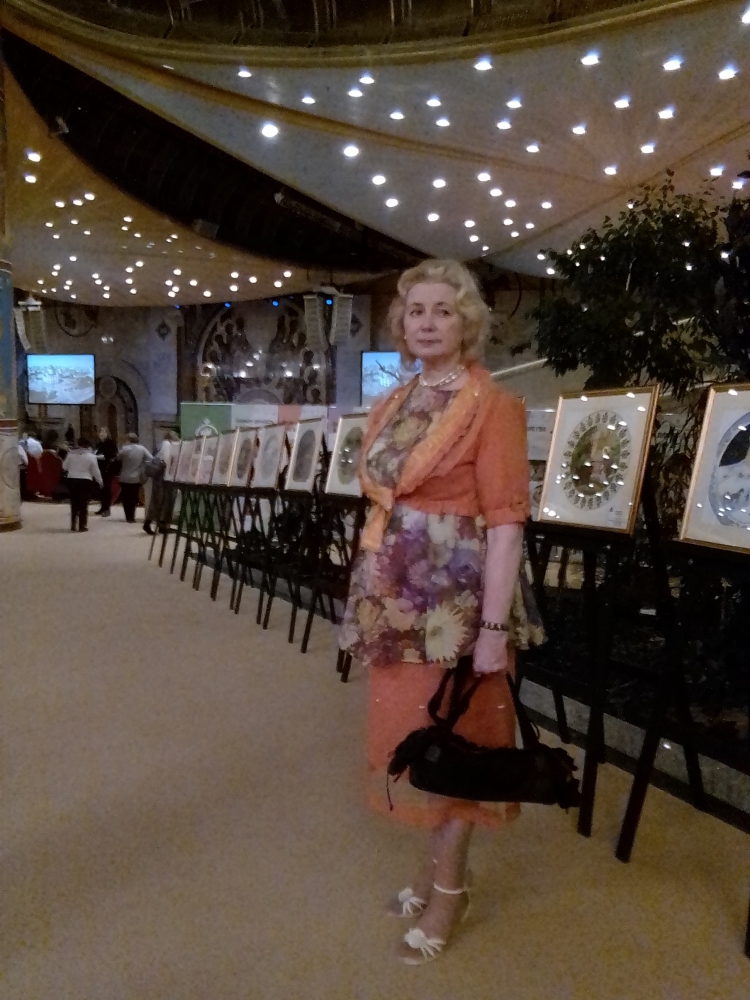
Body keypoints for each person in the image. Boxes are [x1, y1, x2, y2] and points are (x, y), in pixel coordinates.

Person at [339, 259, 541, 965]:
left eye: (443, 310)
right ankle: (431, 876)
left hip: (457, 605)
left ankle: (449, 893)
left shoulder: (494, 406)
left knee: (460, 743)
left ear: (467, 323)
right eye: (416, 311)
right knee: (415, 739)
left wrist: (492, 631)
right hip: (397, 603)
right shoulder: (396, 401)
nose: (427, 322)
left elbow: (507, 524)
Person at [62, 437, 102, 532]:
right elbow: (95, 471)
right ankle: (82, 525)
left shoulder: (71, 455)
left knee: (74, 502)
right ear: (88, 446)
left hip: (72, 479)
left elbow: (64, 467)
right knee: (84, 504)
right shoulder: (91, 456)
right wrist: (100, 481)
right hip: (85, 480)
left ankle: (73, 524)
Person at [143, 429, 179, 535]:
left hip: (159, 477)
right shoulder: (167, 445)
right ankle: (152, 524)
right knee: (163, 501)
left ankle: (159, 525)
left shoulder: (161, 445)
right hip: (164, 477)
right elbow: (167, 460)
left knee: (159, 501)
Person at [116, 432, 152, 525]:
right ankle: (132, 516)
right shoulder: (142, 448)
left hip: (124, 476)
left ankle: (128, 516)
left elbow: (118, 459)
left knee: (126, 497)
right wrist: (143, 466)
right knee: (134, 496)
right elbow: (150, 459)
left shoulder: (124, 449)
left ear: (128, 440)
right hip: (136, 476)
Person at [94, 427, 118, 517]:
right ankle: (103, 507)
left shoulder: (110, 443)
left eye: (103, 432)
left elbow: (111, 455)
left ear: (107, 434)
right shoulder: (99, 444)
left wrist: (97, 457)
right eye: (100, 432)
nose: (101, 434)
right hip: (100, 468)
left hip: (107, 469)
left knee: (106, 489)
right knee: (101, 489)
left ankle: (107, 508)